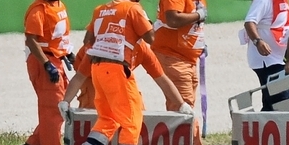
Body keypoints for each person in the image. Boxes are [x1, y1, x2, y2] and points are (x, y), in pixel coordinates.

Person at [76, 0, 154, 145]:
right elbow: (150, 37)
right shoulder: (134, 8)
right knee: (132, 115)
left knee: (109, 115)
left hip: (97, 68)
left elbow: (88, 40)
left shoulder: (100, 9)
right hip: (117, 67)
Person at [151, 0, 222, 145]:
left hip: (188, 59)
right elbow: (172, 18)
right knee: (183, 104)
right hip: (171, 57)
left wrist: (200, 43)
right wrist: (197, 17)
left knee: (183, 105)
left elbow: (192, 26)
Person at [21, 0, 74, 145]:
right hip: (43, 60)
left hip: (56, 59)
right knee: (53, 108)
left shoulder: (59, 6)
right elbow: (31, 40)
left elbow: (60, 35)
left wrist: (69, 53)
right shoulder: (38, 10)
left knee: (60, 104)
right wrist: (46, 65)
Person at [58, 40, 193, 116]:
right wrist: (66, 101)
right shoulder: (105, 47)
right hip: (91, 76)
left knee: (137, 111)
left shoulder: (143, 49)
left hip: (120, 76)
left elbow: (161, 79)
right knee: (96, 111)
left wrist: (182, 105)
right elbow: (80, 77)